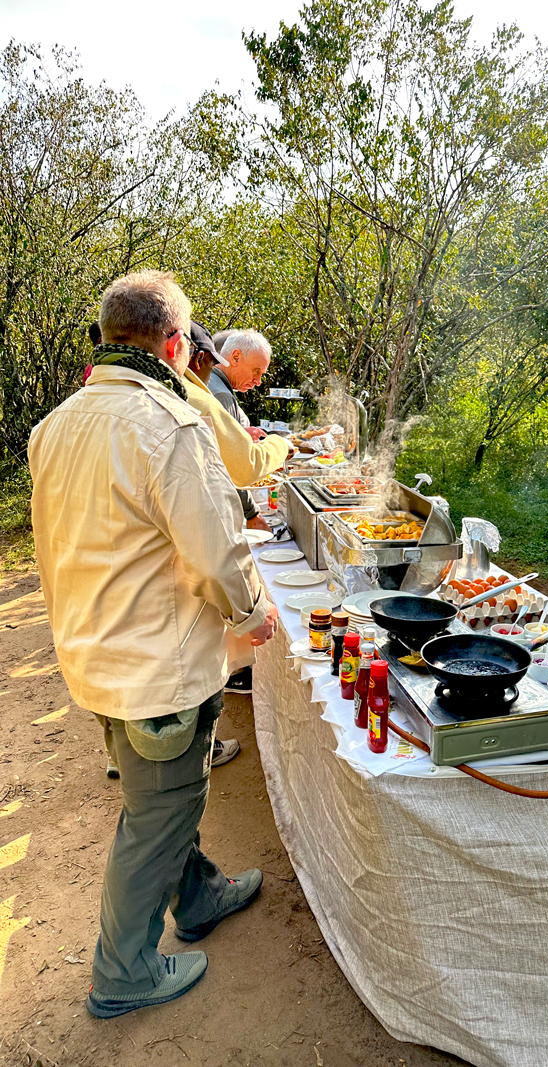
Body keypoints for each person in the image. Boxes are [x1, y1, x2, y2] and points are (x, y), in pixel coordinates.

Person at [29, 270, 281, 1017]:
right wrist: (251, 612)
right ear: (176, 345)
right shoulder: (169, 425)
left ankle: (197, 893)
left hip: (94, 654)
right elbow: (215, 547)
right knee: (157, 812)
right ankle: (123, 972)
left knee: (162, 795)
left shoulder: (58, 423)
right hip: (155, 668)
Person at [185, 322, 292, 696]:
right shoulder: (206, 394)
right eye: (257, 372)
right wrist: (280, 446)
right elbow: (239, 468)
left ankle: (231, 671)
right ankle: (234, 672)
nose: (259, 382)